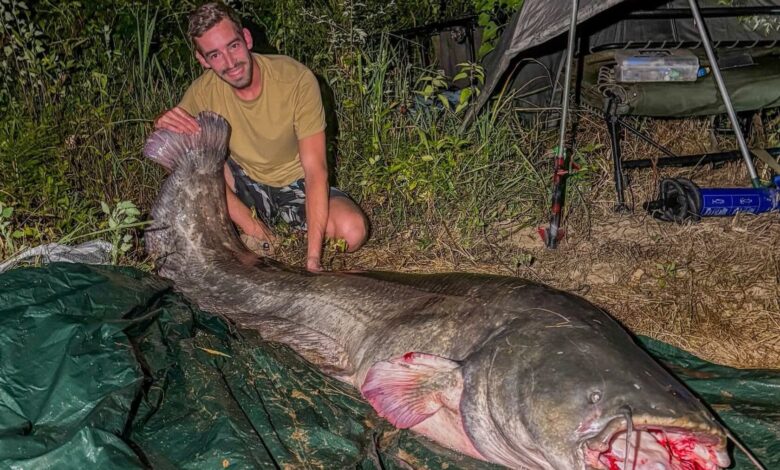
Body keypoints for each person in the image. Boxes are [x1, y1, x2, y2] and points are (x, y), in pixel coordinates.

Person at [154, 2, 368, 272]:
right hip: (243, 184)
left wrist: (313, 259)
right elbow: (166, 146)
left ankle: (292, 228)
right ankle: (257, 232)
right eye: (215, 55)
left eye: (233, 46)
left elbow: (316, 170)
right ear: (203, 60)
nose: (230, 63)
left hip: (295, 182)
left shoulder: (295, 80)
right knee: (191, 157)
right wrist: (162, 121)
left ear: (246, 38)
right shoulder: (203, 91)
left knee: (352, 231)